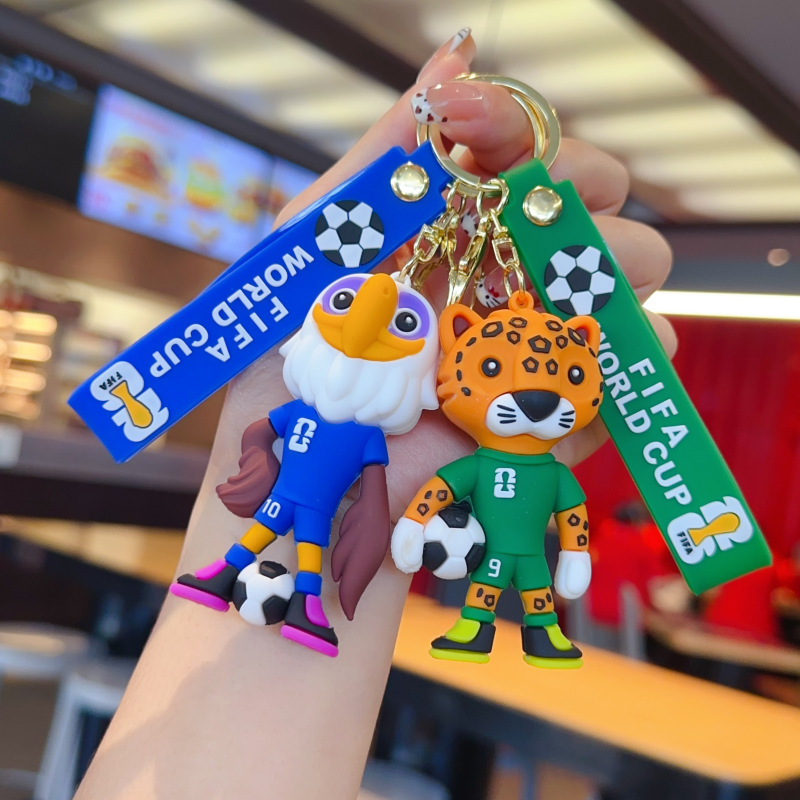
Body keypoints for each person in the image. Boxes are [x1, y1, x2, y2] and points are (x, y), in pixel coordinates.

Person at [74, 31, 675, 799]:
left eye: (404, 326)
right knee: (266, 540)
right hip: (292, 502)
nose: (366, 325)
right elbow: (271, 435)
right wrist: (251, 454)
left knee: (312, 555)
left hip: (336, 517)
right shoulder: (314, 399)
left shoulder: (378, 437)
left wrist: (410, 521)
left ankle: (305, 607)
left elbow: (387, 489)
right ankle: (232, 578)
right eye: (343, 305)